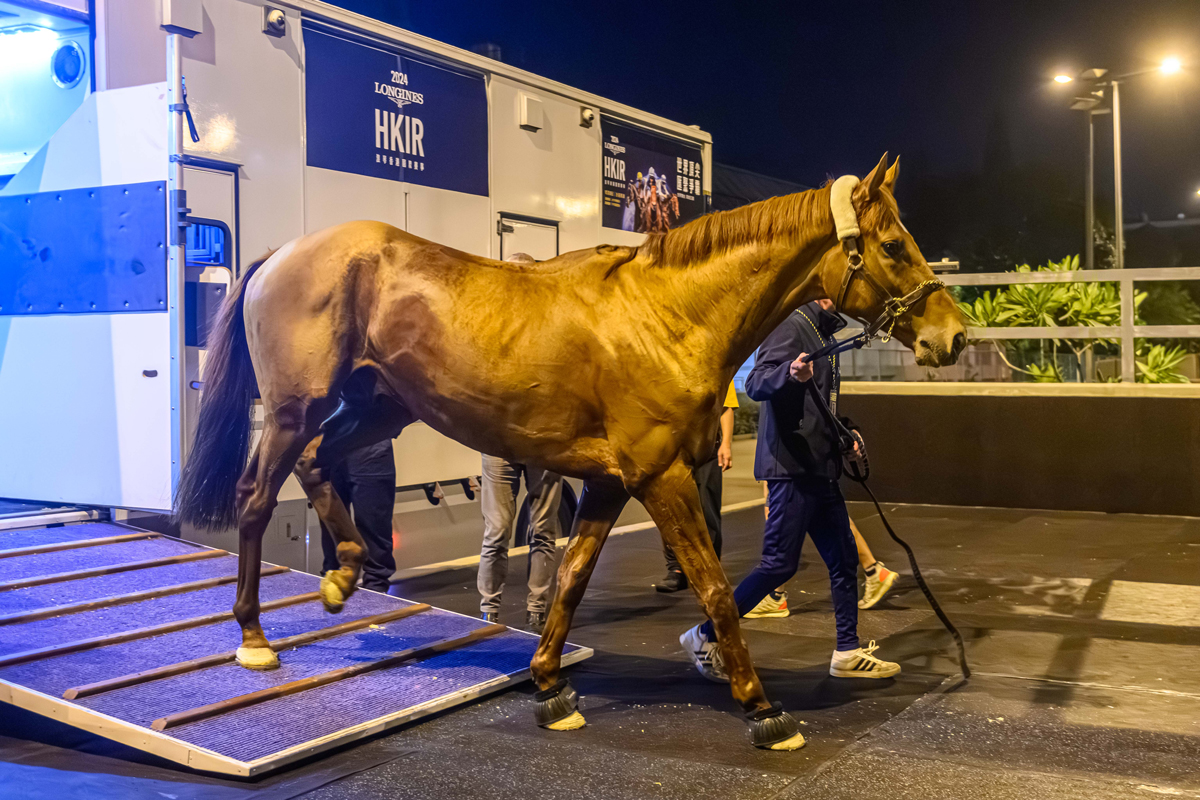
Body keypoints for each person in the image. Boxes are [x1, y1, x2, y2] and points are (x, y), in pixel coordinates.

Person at [680, 299, 901, 681]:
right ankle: (705, 635)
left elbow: (821, 407)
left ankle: (847, 652)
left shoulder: (824, 332)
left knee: (844, 561)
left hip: (819, 469)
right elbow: (756, 382)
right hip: (792, 470)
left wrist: (847, 433)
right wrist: (789, 371)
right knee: (779, 564)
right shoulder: (789, 324)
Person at [476, 253, 564, 634]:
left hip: (544, 440)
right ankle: (489, 611)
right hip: (498, 440)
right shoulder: (487, 323)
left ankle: (536, 610)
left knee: (542, 530)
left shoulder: (554, 325)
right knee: (497, 531)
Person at [746, 483, 899, 617]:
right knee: (828, 512)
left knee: (784, 515)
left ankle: (776, 597)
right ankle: (873, 570)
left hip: (792, 465)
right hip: (809, 463)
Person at [656, 381, 738, 593]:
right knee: (671, 510)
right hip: (673, 448)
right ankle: (676, 569)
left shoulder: (715, 362)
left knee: (707, 509)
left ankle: (709, 568)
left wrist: (726, 444)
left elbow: (726, 407)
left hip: (707, 449)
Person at [319, 439, 397, 594]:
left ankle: (375, 593)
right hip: (329, 442)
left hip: (372, 442)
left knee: (374, 523)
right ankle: (332, 586)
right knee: (331, 525)